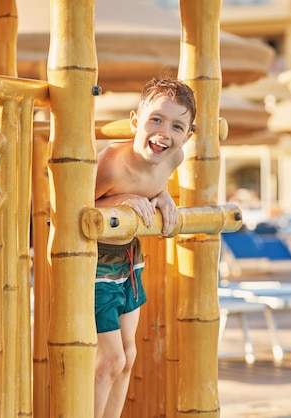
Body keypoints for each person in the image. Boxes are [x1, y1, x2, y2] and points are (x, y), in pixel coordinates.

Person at [93, 76, 196, 418]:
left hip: (130, 258)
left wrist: (162, 195)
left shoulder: (173, 158)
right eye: (156, 119)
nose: (164, 132)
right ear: (136, 120)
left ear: (188, 136)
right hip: (97, 265)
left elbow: (150, 185)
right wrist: (121, 199)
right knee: (110, 359)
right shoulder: (112, 162)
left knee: (128, 355)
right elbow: (69, 211)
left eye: (177, 126)